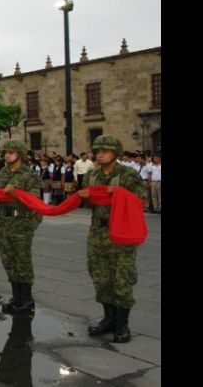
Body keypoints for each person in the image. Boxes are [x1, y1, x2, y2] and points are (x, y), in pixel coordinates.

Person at [78, 135, 146, 343]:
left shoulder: (128, 175)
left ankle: (122, 323)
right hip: (98, 233)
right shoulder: (92, 175)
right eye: (97, 151)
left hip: (121, 233)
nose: (100, 154)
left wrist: (116, 192)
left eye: (105, 151)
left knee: (122, 277)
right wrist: (86, 198)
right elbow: (90, 206)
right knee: (100, 276)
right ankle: (108, 318)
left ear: (115, 153)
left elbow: (139, 200)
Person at [0, 140, 43, 314]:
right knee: (8, 260)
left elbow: (34, 200)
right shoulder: (2, 173)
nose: (7, 155)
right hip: (4, 222)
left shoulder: (29, 175)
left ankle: (27, 299)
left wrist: (15, 195)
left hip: (21, 222)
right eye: (5, 152)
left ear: (20, 154)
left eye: (11, 152)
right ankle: (16, 297)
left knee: (23, 261)